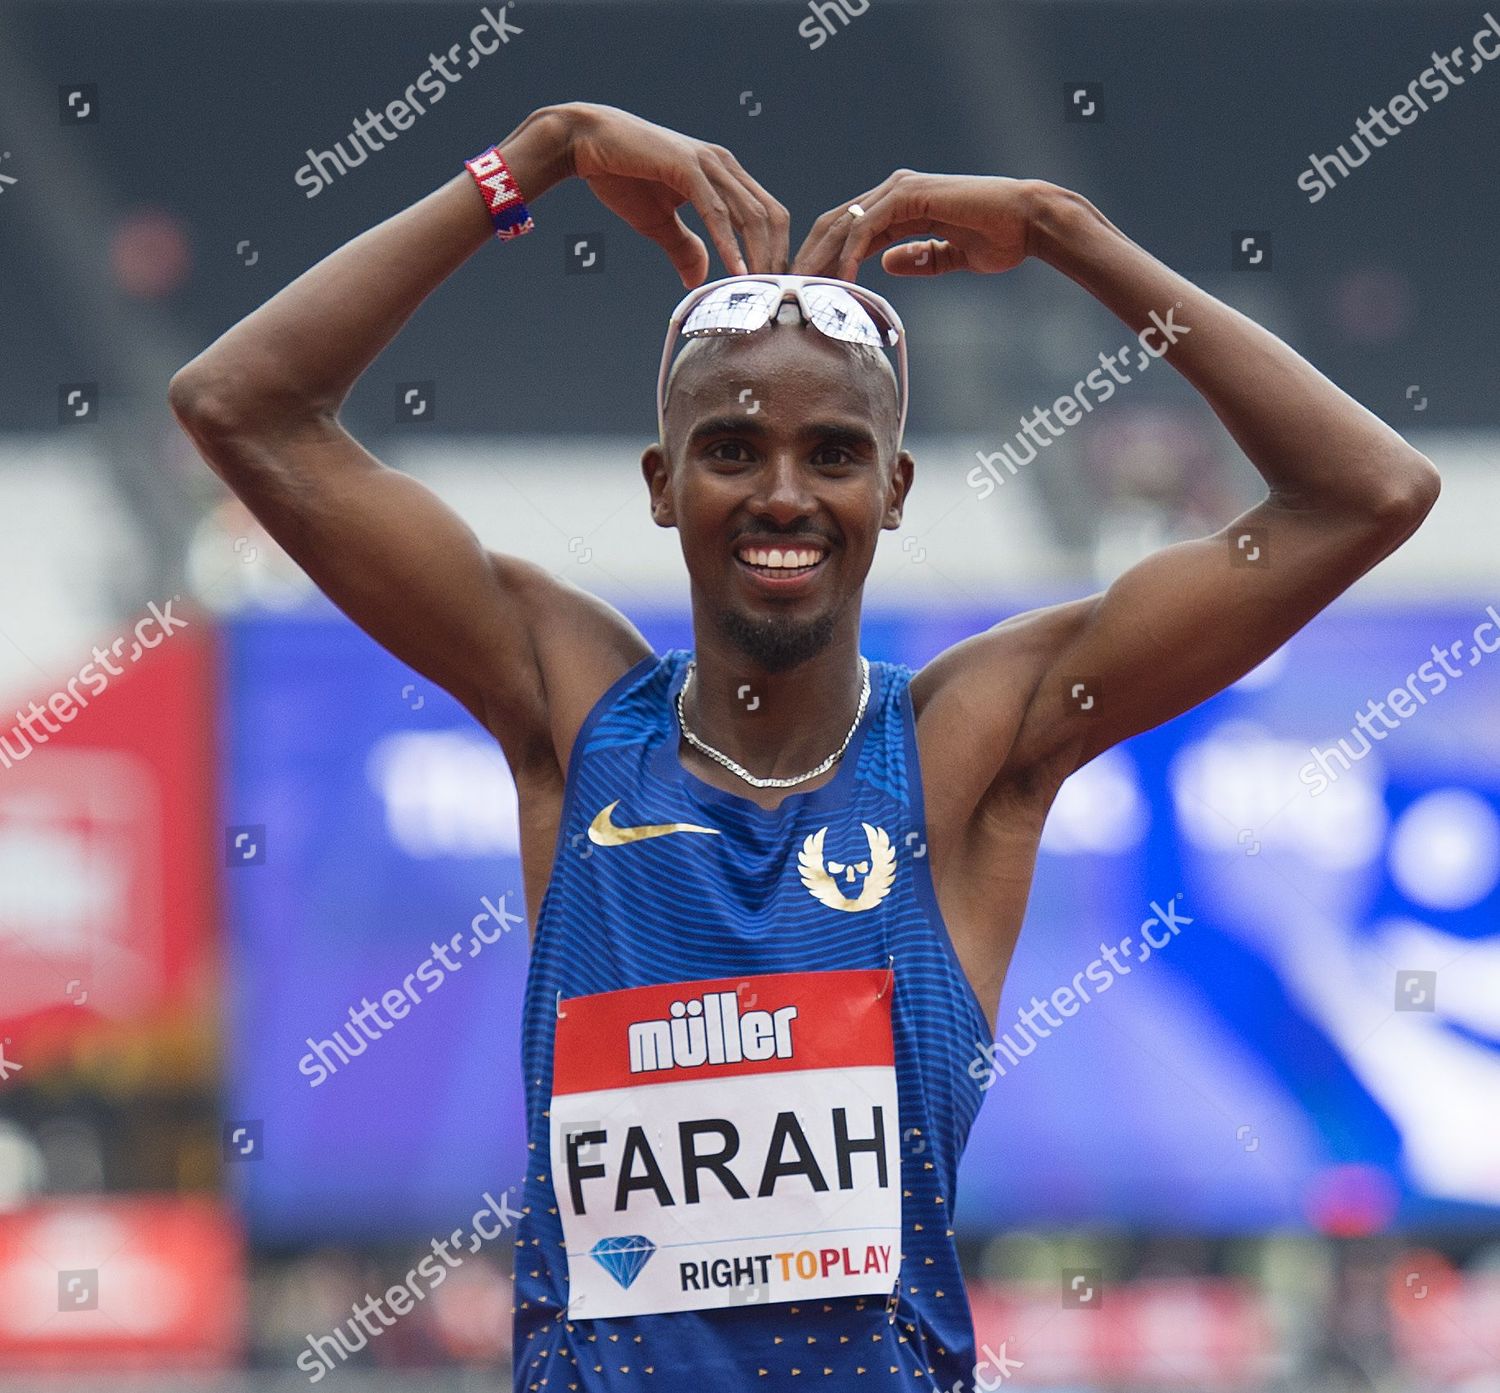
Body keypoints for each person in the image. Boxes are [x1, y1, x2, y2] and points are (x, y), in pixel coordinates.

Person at [168, 101, 1439, 1390]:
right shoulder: (571, 708)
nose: (782, 494)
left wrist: (1068, 231)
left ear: (892, 486)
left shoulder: (969, 746)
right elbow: (240, 407)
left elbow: (1367, 494)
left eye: (832, 452)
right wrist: (535, 156)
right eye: (732, 449)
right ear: (663, 482)